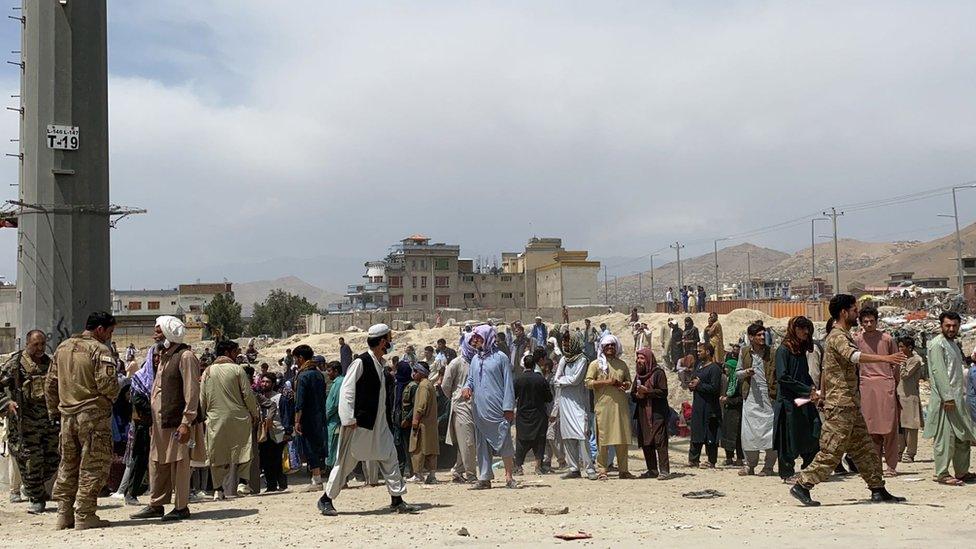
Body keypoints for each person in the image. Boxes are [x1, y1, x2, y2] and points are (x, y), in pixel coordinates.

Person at [790, 294, 907, 507]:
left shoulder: (844, 334)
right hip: (840, 405)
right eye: (854, 310)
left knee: (865, 449)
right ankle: (802, 485)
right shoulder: (837, 336)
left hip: (850, 405)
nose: (857, 314)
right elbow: (853, 356)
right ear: (844, 312)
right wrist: (885, 359)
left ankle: (878, 489)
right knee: (832, 450)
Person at [318, 324, 417, 516]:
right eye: (389, 338)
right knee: (345, 462)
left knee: (390, 458)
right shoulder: (361, 362)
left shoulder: (380, 364)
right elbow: (347, 391)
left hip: (379, 424)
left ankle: (397, 499)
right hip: (359, 424)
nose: (390, 342)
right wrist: (348, 418)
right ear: (382, 341)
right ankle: (326, 499)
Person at [44, 312, 120, 530]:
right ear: (100, 330)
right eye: (109, 332)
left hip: (67, 417)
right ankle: (85, 515)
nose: (109, 336)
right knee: (93, 466)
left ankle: (63, 514)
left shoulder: (63, 347)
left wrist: (54, 412)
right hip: (92, 416)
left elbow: (50, 384)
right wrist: (111, 397)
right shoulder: (100, 349)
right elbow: (107, 384)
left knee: (68, 465)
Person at [131, 316, 205, 523]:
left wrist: (186, 422)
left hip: (177, 422)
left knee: (180, 464)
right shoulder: (163, 356)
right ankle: (156, 504)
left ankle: (181, 507)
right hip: (160, 423)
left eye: (158, 330)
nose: (154, 334)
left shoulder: (185, 356)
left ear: (168, 333)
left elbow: (191, 391)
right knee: (158, 463)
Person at [0, 330, 59, 515]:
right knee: (31, 461)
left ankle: (32, 487)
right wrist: (7, 403)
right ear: (27, 344)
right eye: (36, 344)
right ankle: (36, 499)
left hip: (48, 421)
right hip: (25, 423)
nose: (40, 348)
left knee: (52, 460)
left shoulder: (50, 364)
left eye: (42, 344)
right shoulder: (16, 364)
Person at [461, 325, 518, 490]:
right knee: (482, 443)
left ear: (487, 337)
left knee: (505, 440)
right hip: (479, 408)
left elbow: (508, 383)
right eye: (474, 338)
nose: (475, 340)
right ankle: (485, 477)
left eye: (478, 337)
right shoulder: (475, 360)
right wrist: (467, 387)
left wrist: (508, 407)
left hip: (498, 408)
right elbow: (471, 380)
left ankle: (509, 477)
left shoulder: (501, 358)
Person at [923, 311, 976, 486]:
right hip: (946, 401)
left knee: (963, 437)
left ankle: (962, 471)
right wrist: (947, 397)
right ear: (941, 326)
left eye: (954, 326)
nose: (951, 329)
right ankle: (942, 473)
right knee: (945, 438)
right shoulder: (937, 344)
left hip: (958, 398)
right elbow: (938, 372)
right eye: (948, 325)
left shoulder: (953, 344)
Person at [201, 340, 259, 499]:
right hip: (239, 416)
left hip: (215, 418)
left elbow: (203, 398)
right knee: (244, 449)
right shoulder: (237, 369)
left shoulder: (208, 371)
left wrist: (204, 416)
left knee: (216, 453)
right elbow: (248, 395)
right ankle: (242, 482)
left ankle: (218, 490)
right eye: (235, 352)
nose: (237, 355)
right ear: (227, 353)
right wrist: (255, 413)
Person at [854, 306, 900, 477]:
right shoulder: (857, 340)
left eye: (871, 321)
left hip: (886, 385)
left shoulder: (887, 339)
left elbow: (896, 363)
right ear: (861, 323)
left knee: (889, 428)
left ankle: (891, 465)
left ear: (876, 321)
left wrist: (893, 384)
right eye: (865, 321)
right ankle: (874, 465)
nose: (869, 324)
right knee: (870, 428)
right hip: (866, 387)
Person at [774, 317, 821, 482]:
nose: (805, 332)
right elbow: (783, 377)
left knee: (813, 431)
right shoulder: (783, 350)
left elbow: (803, 374)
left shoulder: (800, 350)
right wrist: (807, 390)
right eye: (801, 328)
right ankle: (787, 474)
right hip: (789, 402)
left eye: (806, 329)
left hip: (803, 400)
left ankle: (808, 469)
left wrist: (813, 389)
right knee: (787, 438)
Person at [585, 335, 634, 480]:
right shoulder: (595, 364)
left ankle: (623, 470)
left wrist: (625, 385)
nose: (610, 348)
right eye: (607, 346)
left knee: (622, 439)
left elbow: (628, 382)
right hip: (603, 407)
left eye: (612, 345)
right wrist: (606, 382)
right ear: (602, 348)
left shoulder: (622, 364)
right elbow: (587, 382)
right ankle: (602, 470)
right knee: (603, 440)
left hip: (620, 407)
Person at [554, 332, 597, 480]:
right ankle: (574, 468)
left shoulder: (583, 360)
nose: (565, 345)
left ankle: (589, 468)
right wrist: (563, 380)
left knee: (581, 435)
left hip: (578, 402)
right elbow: (556, 378)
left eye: (567, 342)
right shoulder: (564, 359)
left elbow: (575, 380)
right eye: (564, 343)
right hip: (565, 402)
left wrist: (562, 381)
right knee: (567, 436)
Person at [737, 323, 777, 476]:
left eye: (763, 335)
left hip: (768, 398)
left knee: (770, 433)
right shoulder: (744, 352)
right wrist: (747, 372)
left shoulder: (772, 353)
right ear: (751, 337)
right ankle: (749, 465)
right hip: (751, 398)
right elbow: (737, 373)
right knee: (749, 433)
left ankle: (768, 466)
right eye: (758, 335)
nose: (762, 337)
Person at [120, 346, 158, 506]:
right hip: (142, 424)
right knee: (139, 459)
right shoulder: (140, 377)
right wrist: (156, 408)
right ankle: (131, 492)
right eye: (155, 356)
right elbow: (137, 400)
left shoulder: (161, 375)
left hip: (158, 424)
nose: (157, 359)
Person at [441, 333, 476, 483]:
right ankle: (471, 474)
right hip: (461, 405)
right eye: (472, 343)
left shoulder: (476, 360)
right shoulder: (456, 363)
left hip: (474, 406)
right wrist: (456, 397)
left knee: (466, 441)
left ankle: (458, 470)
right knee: (468, 441)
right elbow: (445, 385)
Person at [293, 345, 328, 492]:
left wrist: (297, 420)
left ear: (301, 358)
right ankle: (316, 478)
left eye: (296, 359)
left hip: (307, 417)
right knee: (317, 446)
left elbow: (300, 401)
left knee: (309, 447)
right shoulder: (319, 374)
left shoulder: (303, 375)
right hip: (319, 415)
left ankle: (317, 479)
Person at [631, 348, 670, 479]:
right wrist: (638, 395)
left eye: (642, 358)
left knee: (660, 442)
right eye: (638, 358)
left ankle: (664, 470)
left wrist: (647, 391)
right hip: (643, 413)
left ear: (648, 359)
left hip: (657, 413)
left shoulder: (658, 373)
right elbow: (632, 395)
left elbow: (663, 392)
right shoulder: (638, 375)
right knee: (646, 442)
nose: (639, 361)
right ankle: (652, 469)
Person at [513, 355, 553, 475]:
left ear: (524, 365)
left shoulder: (519, 379)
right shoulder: (541, 380)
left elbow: (512, 396)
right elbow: (549, 398)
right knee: (539, 441)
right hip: (539, 415)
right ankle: (538, 467)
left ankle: (519, 467)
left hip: (523, 416)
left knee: (521, 441)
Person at [688, 343, 722, 468]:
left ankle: (711, 460)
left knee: (710, 433)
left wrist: (699, 385)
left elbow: (714, 388)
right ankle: (693, 459)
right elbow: (694, 380)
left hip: (710, 407)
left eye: (700, 351)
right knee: (696, 431)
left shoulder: (714, 369)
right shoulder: (699, 366)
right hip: (698, 405)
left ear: (708, 352)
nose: (698, 353)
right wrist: (692, 385)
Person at [407, 362, 439, 484]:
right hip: (430, 424)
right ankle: (432, 475)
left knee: (417, 448)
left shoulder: (423, 386)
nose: (413, 374)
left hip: (422, 424)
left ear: (420, 373)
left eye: (415, 372)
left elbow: (422, 404)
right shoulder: (429, 384)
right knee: (430, 450)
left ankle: (418, 474)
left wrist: (416, 419)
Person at [257, 373, 288, 492]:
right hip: (264, 433)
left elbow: (285, 415)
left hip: (278, 432)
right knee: (266, 459)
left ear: (273, 384)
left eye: (267, 382)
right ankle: (271, 485)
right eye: (263, 381)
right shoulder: (258, 397)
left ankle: (282, 484)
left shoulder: (280, 398)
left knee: (278, 459)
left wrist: (288, 432)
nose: (264, 384)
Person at [896, 337, 924, 464]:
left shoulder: (915, 360)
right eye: (899, 346)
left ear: (910, 347)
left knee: (911, 427)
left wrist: (901, 363)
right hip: (899, 396)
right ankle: (898, 451)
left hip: (910, 397)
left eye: (902, 347)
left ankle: (910, 453)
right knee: (900, 427)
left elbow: (905, 375)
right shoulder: (901, 359)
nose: (900, 349)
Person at [720, 344, 744, 467]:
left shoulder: (739, 382)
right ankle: (729, 457)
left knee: (738, 437)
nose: (726, 370)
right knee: (727, 436)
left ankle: (740, 458)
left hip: (737, 413)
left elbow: (741, 398)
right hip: (728, 413)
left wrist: (728, 400)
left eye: (728, 368)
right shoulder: (728, 380)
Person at [323, 361, 344, 473]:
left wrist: (325, 416)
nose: (328, 373)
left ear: (336, 371)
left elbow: (334, 404)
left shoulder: (338, 383)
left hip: (335, 422)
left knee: (335, 450)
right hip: (334, 420)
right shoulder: (338, 382)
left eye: (329, 371)